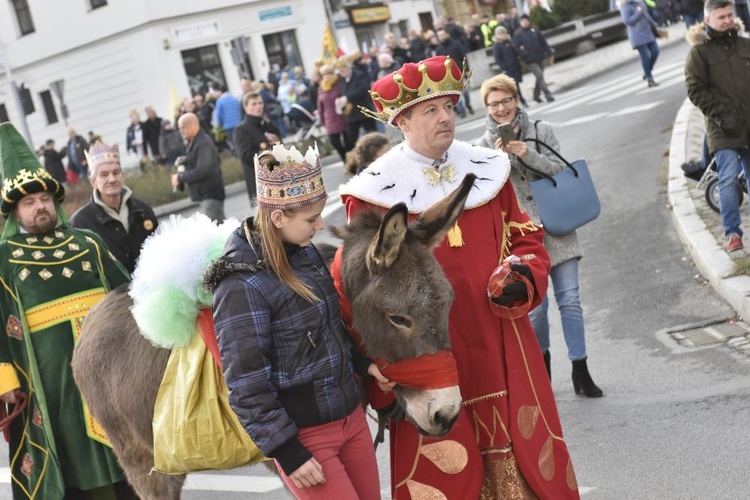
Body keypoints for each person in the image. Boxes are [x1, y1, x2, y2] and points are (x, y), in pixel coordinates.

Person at [336, 55, 578, 499]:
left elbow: (528, 239)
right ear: (403, 121)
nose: (446, 117)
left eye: (449, 106)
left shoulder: (489, 168)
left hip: (500, 338)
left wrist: (522, 274)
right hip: (427, 350)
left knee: (526, 472)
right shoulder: (371, 193)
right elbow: (360, 295)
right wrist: (380, 373)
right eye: (431, 110)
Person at [209, 143, 385, 499]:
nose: (321, 225)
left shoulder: (304, 254)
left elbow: (330, 330)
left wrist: (364, 365)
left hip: (351, 417)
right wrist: (287, 452)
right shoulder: (240, 285)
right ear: (278, 218)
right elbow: (245, 385)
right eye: (311, 219)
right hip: (306, 438)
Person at [0, 123, 136, 499]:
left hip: (109, 372)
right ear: (15, 211)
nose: (39, 206)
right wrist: (4, 380)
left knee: (130, 453)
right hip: (50, 385)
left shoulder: (87, 242)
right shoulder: (4, 258)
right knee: (71, 462)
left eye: (44, 198)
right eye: (28, 202)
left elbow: (127, 293)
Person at [477, 74, 603, 397]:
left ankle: (581, 370)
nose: (502, 108)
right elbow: (488, 193)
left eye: (507, 101)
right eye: (494, 104)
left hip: (558, 227)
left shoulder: (541, 131)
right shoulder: (481, 147)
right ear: (487, 109)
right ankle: (542, 374)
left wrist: (527, 154)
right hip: (522, 238)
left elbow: (561, 172)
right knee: (535, 310)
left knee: (571, 301)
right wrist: (500, 159)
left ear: (516, 100)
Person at [685, 0, 750, 252]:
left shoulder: (745, 44)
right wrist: (723, 116)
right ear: (708, 19)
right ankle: (732, 233)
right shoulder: (699, 53)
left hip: (748, 123)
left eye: (729, 15)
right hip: (721, 127)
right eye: (721, 16)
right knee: (728, 178)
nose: (727, 20)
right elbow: (695, 91)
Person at [69, 141, 159, 274]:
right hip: (113, 294)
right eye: (104, 175)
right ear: (93, 181)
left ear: (122, 176)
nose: (111, 179)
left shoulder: (142, 209)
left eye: (116, 173)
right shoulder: (80, 222)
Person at [174, 112, 226, 223]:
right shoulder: (196, 141)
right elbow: (197, 160)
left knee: (218, 231)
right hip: (206, 194)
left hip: (210, 194)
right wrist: (185, 160)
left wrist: (180, 178)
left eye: (182, 127)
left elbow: (203, 170)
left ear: (193, 125)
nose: (180, 131)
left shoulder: (203, 143)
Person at [233, 91, 282, 203]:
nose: (258, 106)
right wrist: (268, 154)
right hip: (261, 183)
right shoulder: (241, 130)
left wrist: (277, 144)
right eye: (254, 104)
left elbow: (281, 148)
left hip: (278, 179)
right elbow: (246, 156)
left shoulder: (267, 125)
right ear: (246, 107)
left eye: (260, 103)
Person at [334, 56, 377, 152]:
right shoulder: (341, 79)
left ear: (348, 67)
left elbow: (362, 90)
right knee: (351, 137)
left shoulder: (359, 75)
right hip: (350, 112)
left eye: (343, 70)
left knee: (372, 134)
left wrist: (347, 97)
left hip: (363, 109)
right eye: (340, 71)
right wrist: (338, 98)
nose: (342, 73)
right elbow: (341, 91)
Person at [513, 14, 556, 102]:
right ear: (521, 22)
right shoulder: (518, 34)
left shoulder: (535, 29)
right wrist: (525, 54)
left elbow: (543, 41)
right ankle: (548, 94)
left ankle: (536, 95)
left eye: (526, 21)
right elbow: (516, 48)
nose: (525, 23)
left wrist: (549, 52)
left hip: (541, 56)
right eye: (523, 21)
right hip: (530, 60)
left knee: (539, 77)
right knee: (539, 75)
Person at [619, 0, 662, 87]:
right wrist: (638, 12)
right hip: (637, 34)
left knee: (656, 51)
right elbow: (627, 21)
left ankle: (647, 72)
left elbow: (647, 16)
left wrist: (655, 26)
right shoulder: (625, 5)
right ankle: (650, 79)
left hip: (647, 32)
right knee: (645, 56)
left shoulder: (640, 2)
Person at [317, 65, 348, 161]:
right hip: (329, 118)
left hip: (342, 116)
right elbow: (320, 106)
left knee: (348, 141)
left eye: (329, 74)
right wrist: (322, 121)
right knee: (334, 141)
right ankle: (345, 158)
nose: (327, 76)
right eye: (324, 74)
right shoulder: (321, 87)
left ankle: (351, 160)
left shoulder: (339, 84)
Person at [493, 26, 528, 107]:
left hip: (516, 67)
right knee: (514, 87)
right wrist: (505, 67)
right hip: (508, 69)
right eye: (500, 33)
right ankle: (521, 101)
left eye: (503, 32)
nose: (502, 34)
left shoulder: (510, 42)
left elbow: (516, 52)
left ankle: (517, 101)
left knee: (516, 86)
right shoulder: (497, 45)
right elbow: (498, 59)